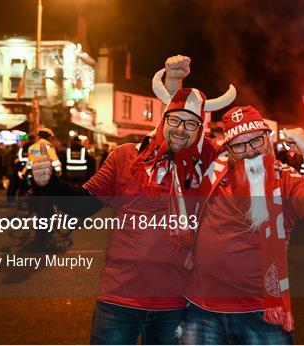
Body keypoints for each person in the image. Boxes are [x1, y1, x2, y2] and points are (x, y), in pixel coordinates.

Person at [30, 55, 237, 344]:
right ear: (163, 121)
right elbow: (82, 207)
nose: (180, 128)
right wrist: (48, 183)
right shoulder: (126, 157)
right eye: (174, 120)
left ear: (201, 130)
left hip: (176, 303)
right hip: (119, 299)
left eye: (191, 124)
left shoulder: (206, 167)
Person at [181, 106, 304, 344]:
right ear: (228, 149)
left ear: (268, 138)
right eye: (239, 145)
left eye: (256, 140)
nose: (250, 151)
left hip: (261, 312)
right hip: (200, 309)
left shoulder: (286, 179)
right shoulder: (214, 167)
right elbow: (179, 132)